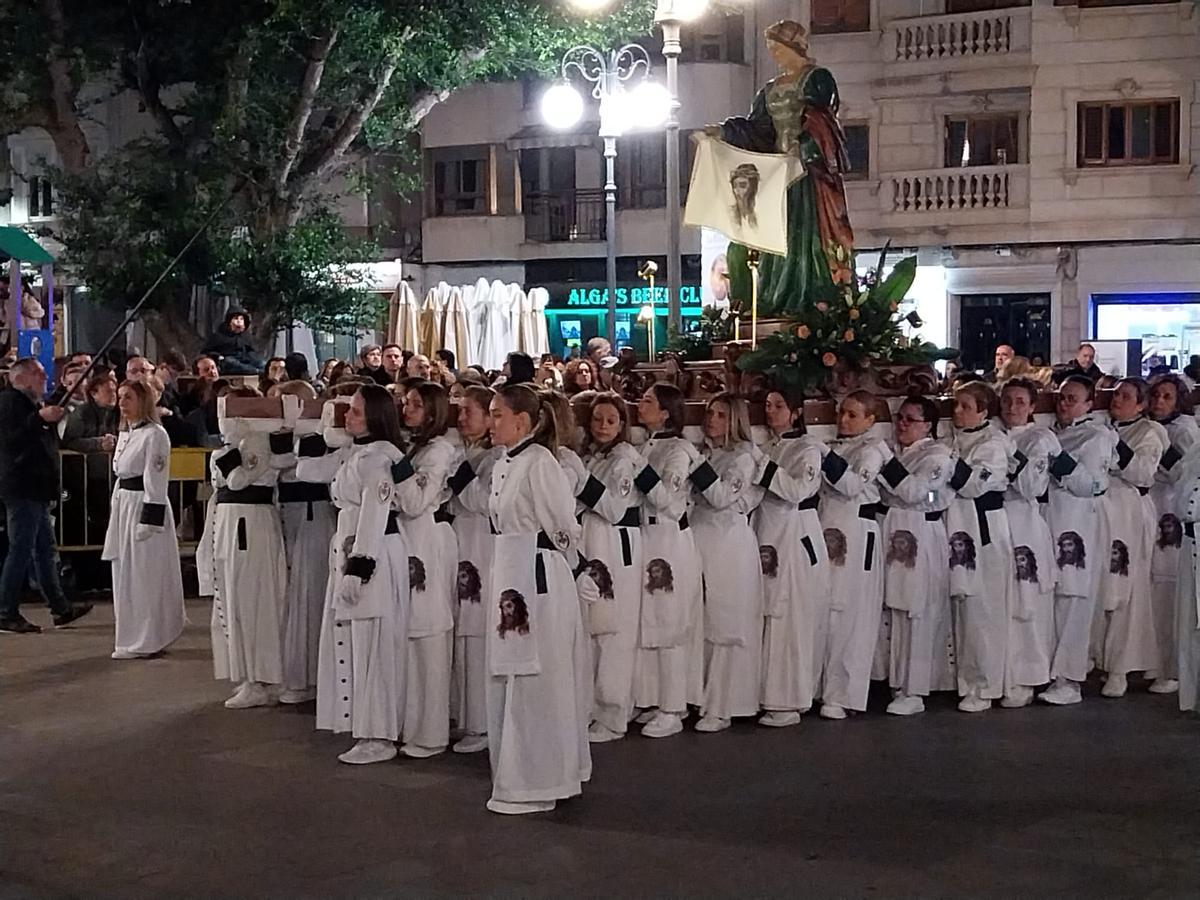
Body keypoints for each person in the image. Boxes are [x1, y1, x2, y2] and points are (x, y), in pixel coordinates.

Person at [484, 384, 591, 815]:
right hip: (510, 571)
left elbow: (564, 526)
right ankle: (514, 772)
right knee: (510, 676)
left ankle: (540, 780)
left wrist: (570, 566)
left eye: (496, 414)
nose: (490, 422)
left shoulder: (541, 463)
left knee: (538, 676)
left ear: (522, 422)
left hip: (538, 577)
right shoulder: (503, 464)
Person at [297, 384, 411, 764]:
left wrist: (359, 567)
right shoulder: (354, 453)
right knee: (356, 642)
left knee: (376, 645)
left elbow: (374, 515)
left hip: (371, 553)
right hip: (349, 550)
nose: (349, 416)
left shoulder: (378, 460)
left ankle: (379, 734)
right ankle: (363, 725)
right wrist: (310, 427)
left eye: (357, 412)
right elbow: (307, 469)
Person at [711, 19, 853, 315]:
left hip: (808, 173)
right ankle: (776, 295)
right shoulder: (770, 89)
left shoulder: (817, 78)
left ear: (794, 47)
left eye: (778, 48)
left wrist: (804, 149)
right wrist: (725, 132)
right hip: (777, 173)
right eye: (770, 49)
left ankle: (812, 295)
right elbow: (759, 129)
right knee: (776, 237)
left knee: (806, 234)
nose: (774, 54)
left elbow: (823, 120)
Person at [753, 389, 830, 725]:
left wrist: (763, 467)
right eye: (768, 406)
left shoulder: (807, 449)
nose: (771, 412)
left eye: (780, 406)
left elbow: (800, 490)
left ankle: (789, 699)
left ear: (797, 412)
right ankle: (766, 691)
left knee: (793, 617)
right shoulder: (769, 444)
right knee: (770, 612)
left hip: (795, 532)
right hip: (768, 531)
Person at [690, 393, 765, 733]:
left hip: (728, 544)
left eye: (720, 414)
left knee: (725, 621)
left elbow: (721, 497)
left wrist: (695, 466)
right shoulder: (710, 453)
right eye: (709, 412)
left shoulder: (744, 457)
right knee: (703, 620)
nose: (711, 419)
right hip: (701, 540)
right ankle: (700, 696)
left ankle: (724, 704)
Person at [0, 359, 93, 633]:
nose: (44, 379)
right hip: (23, 486)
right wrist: (39, 419)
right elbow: (11, 439)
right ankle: (6, 610)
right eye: (39, 375)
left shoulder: (29, 405)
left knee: (44, 550)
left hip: (36, 488)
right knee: (21, 549)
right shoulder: (10, 403)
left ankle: (60, 607)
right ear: (23, 378)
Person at [1041, 375, 1118, 706]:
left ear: (1089, 403)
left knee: (1074, 601)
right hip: (1048, 523)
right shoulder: (1054, 431)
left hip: (1076, 526)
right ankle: (1049, 672)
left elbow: (1095, 484)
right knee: (1052, 602)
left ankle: (1069, 680)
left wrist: (1057, 461)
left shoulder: (1096, 436)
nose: (1064, 404)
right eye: (1061, 398)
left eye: (1073, 398)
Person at [632, 383, 703, 738]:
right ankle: (653, 696)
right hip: (649, 538)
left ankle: (674, 705)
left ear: (666, 412)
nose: (640, 405)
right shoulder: (647, 444)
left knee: (670, 622)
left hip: (669, 539)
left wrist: (638, 470)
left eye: (648, 401)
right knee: (651, 621)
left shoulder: (678, 450)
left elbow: (670, 501)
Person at [577, 391, 649, 743]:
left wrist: (580, 481)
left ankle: (613, 712)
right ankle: (591, 707)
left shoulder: (623, 460)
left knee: (614, 629)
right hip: (593, 541)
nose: (603, 426)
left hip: (615, 544)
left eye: (611, 420)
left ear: (622, 424)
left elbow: (615, 508)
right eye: (597, 419)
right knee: (594, 626)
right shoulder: (594, 456)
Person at [207, 398, 288, 708]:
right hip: (229, 520)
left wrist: (228, 456)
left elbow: (239, 480)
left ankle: (260, 677)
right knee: (233, 597)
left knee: (254, 597)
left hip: (249, 521)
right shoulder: (231, 443)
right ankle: (245, 673)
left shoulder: (256, 442)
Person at [395, 380, 461, 759]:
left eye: (416, 404)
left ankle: (431, 730)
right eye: (406, 403)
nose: (407, 409)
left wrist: (399, 468)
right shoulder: (414, 446)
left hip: (426, 539)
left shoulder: (438, 451)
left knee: (429, 631)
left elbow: (417, 501)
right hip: (407, 539)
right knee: (410, 631)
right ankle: (410, 722)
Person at [876, 396, 953, 716]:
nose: (902, 424)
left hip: (921, 533)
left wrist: (889, 471)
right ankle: (898, 680)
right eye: (900, 418)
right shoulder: (899, 453)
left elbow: (918, 493)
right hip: (895, 530)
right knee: (896, 607)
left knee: (917, 611)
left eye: (910, 419)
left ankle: (915, 688)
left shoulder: (938, 455)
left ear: (928, 426)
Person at [818, 390, 890, 719]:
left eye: (852, 415)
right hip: (829, 531)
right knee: (828, 611)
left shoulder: (874, 450)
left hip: (857, 535)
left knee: (852, 615)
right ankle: (821, 688)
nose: (843, 420)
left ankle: (845, 693)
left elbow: (850, 486)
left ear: (871, 420)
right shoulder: (837, 445)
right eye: (841, 413)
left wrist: (822, 455)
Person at [944, 381, 1016, 713]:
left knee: (983, 610)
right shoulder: (952, 438)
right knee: (962, 611)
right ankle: (963, 679)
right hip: (958, 526)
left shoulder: (993, 445)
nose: (957, 412)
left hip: (984, 531)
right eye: (956, 405)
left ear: (984, 412)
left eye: (966, 407)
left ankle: (985, 685)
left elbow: (973, 485)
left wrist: (946, 462)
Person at [102, 381, 186, 659]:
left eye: (129, 398)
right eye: (120, 397)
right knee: (125, 573)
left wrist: (150, 519)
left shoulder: (155, 434)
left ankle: (147, 638)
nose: (122, 403)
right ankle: (129, 635)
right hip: (124, 505)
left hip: (143, 507)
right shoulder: (125, 432)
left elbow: (156, 478)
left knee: (144, 574)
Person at [1094, 378, 1166, 698]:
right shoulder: (1102, 425)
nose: (1118, 401)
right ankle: (1098, 657)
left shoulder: (1149, 432)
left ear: (1141, 404)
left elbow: (1143, 473)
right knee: (1100, 586)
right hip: (1101, 514)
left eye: (1126, 397)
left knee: (1127, 588)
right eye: (1116, 395)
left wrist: (1115, 445)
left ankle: (1121, 667)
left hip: (1130, 512)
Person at [266, 388, 337, 705]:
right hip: (289, 514)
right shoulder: (285, 435)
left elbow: (302, 469)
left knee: (309, 594)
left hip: (312, 515)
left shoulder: (318, 436)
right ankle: (292, 671)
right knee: (290, 596)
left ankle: (309, 675)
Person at [999, 378, 1061, 708]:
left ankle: (1029, 676)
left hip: (1025, 518)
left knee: (1028, 602)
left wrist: (1009, 459)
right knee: (1003, 601)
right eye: (1007, 400)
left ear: (1033, 406)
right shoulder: (992, 434)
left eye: (1020, 401)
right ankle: (1003, 674)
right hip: (998, 521)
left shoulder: (1041, 438)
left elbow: (1031, 486)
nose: (1012, 407)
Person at [447, 385, 500, 754]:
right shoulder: (464, 450)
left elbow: (483, 501)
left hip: (481, 541)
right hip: (457, 539)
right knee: (461, 630)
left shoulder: (496, 457)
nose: (462, 418)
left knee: (478, 629)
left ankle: (482, 722)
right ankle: (462, 714)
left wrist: (459, 471)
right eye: (460, 411)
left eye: (470, 411)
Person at [1147, 375, 1198, 695]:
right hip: (1151, 504)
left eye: (1167, 397)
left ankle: (1173, 667)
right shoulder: (1148, 427)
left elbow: (1185, 472)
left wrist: (1160, 450)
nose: (1159, 402)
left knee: (1169, 590)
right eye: (1155, 396)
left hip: (1172, 508)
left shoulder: (1186, 431)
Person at [61, 373, 118, 455]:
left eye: (114, 391)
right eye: (108, 391)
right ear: (94, 394)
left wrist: (114, 441)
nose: (113, 395)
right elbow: (70, 442)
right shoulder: (81, 412)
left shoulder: (118, 412)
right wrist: (98, 444)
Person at [202, 307, 265, 375]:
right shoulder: (219, 335)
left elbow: (251, 350)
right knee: (230, 362)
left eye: (241, 319)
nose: (239, 321)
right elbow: (207, 351)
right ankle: (255, 371)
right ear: (229, 321)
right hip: (227, 360)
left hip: (244, 358)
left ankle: (261, 371)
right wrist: (218, 356)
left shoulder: (245, 336)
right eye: (236, 318)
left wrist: (252, 356)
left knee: (262, 363)